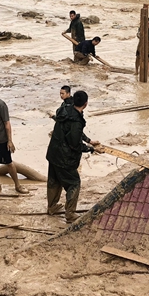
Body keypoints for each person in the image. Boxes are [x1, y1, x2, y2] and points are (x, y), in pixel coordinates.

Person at [46, 90, 98, 223]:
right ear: (85, 104)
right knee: (74, 183)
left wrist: (89, 140)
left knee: (54, 180)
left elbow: (75, 132)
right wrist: (89, 149)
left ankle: (52, 207)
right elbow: (74, 142)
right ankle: (70, 213)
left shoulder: (64, 110)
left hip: (53, 153)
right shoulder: (76, 120)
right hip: (65, 158)